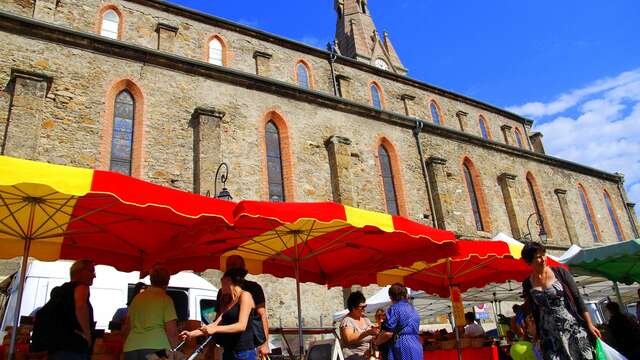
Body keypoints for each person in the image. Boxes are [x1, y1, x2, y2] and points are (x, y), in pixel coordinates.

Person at [521, 241, 600, 360]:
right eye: (538, 257)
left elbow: (578, 298)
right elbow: (534, 309)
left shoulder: (560, 272)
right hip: (548, 333)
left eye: (544, 254)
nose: (543, 259)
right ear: (529, 261)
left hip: (572, 328)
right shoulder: (527, 283)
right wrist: (537, 333)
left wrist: (589, 324)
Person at [180, 268, 257, 360]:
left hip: (243, 352)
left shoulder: (245, 295)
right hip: (229, 351)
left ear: (228, 280)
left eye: (221, 280)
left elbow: (241, 326)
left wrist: (215, 329)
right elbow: (215, 324)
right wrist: (191, 334)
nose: (220, 284)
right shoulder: (231, 301)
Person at [217, 255, 269, 357]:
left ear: (243, 267)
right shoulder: (222, 292)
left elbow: (262, 315)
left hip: (247, 347)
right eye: (229, 265)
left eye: (234, 265)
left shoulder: (253, 288)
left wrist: (265, 344)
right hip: (228, 347)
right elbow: (219, 318)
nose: (231, 267)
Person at [122, 266, 179, 360]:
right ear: (167, 281)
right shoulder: (165, 299)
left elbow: (127, 326)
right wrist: (176, 350)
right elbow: (171, 331)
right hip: (157, 348)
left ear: (151, 280)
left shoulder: (137, 298)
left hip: (131, 348)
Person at [49, 259, 96, 360]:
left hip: (57, 347)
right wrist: (87, 334)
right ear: (81, 271)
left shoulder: (61, 290)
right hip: (74, 347)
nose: (94, 275)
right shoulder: (82, 287)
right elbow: (80, 306)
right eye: (91, 271)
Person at [374, 283, 421, 360]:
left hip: (403, 346)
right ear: (406, 295)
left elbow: (388, 333)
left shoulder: (394, 309)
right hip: (416, 344)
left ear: (391, 297)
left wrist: (376, 342)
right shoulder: (413, 309)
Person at [339, 291, 378, 360]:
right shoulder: (347, 321)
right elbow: (349, 338)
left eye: (365, 306)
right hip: (352, 357)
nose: (364, 309)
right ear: (353, 307)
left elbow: (373, 331)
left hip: (367, 356)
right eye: (362, 307)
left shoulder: (365, 318)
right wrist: (367, 332)